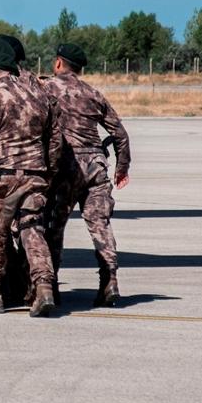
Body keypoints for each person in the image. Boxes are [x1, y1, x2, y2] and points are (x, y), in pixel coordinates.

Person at [0, 37, 62, 317]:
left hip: (4, 176)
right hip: (36, 174)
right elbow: (55, 140)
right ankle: (43, 287)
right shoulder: (39, 95)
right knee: (32, 228)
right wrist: (49, 171)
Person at [45, 42, 131, 307]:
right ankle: (110, 282)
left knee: (53, 226)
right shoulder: (93, 93)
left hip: (65, 164)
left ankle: (50, 285)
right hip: (95, 164)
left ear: (59, 63)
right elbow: (120, 135)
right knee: (100, 225)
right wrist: (121, 169)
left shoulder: (47, 88)